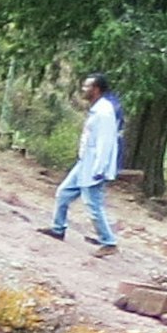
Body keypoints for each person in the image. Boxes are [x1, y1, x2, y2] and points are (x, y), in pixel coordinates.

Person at [48, 74, 122, 249]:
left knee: (93, 204)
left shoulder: (104, 112)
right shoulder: (98, 108)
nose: (83, 90)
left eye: (86, 86)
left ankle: (109, 242)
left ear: (96, 89)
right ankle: (58, 228)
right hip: (85, 162)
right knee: (64, 192)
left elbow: (105, 142)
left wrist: (99, 168)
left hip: (94, 165)